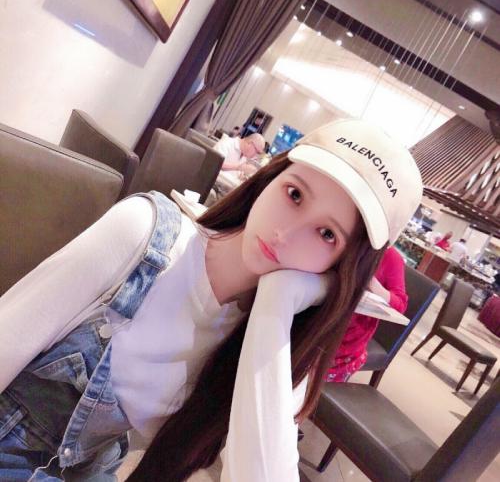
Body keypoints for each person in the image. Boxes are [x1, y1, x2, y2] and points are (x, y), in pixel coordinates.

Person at [0, 119, 423, 481]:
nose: (286, 234)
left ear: (342, 267)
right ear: (270, 178)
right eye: (295, 194)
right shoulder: (146, 236)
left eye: (327, 234)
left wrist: (279, 302)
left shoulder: (278, 344)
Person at [325, 247, 408, 382]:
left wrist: (375, 286)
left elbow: (400, 305)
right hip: (319, 318)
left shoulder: (390, 256)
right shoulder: (349, 239)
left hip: (348, 340)